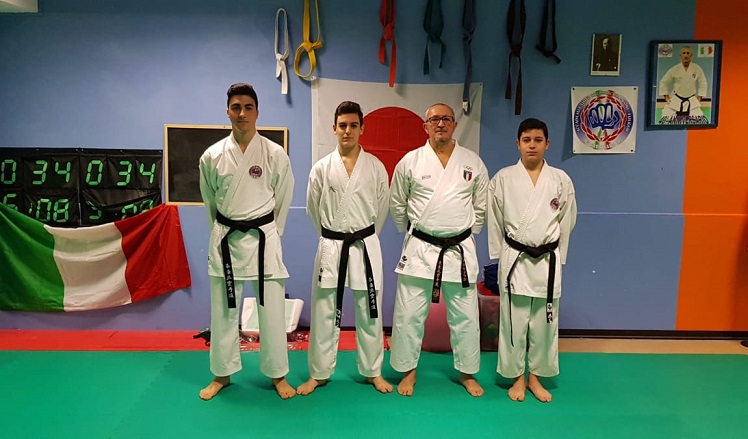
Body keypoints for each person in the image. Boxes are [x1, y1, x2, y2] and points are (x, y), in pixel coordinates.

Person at [198, 82, 296, 400]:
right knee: (223, 311)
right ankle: (221, 374)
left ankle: (278, 375)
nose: (242, 113)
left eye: (248, 107)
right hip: (226, 239)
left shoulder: (274, 154)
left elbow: (284, 197)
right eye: (236, 107)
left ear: (257, 112)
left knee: (272, 311)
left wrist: (273, 232)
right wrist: (221, 231)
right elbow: (209, 202)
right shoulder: (211, 156)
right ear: (228, 112)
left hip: (263, 238)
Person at [389, 103, 489, 397]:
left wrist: (464, 231)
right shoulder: (410, 161)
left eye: (446, 119)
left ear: (455, 125)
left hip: (458, 248)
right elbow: (397, 204)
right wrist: (412, 232)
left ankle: (467, 373)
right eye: (434, 119)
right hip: (420, 247)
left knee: (466, 316)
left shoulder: (472, 162)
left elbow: (480, 207)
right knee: (409, 314)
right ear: (425, 126)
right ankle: (408, 371)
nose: (440, 124)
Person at [297, 101, 393, 396]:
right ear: (334, 128)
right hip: (331, 244)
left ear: (362, 128)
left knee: (370, 310)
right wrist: (331, 237)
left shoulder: (375, 167)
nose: (347, 130)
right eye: (342, 125)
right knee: (324, 310)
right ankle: (319, 373)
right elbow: (313, 210)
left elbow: (382, 210)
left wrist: (364, 236)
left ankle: (373, 371)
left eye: (353, 125)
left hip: (365, 244)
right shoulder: (321, 168)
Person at [487, 118, 576, 403]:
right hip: (516, 258)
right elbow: (494, 219)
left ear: (547, 144)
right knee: (513, 322)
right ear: (518, 144)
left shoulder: (560, 179)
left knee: (544, 324)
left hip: (547, 260)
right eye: (527, 140)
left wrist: (560, 256)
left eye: (538, 140)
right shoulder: (503, 178)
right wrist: (499, 256)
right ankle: (516, 377)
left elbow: (567, 220)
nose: (532, 145)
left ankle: (536, 377)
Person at [658, 46, 708, 123]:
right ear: (680, 55)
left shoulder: (697, 68)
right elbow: (663, 82)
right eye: (684, 53)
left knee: (699, 117)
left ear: (691, 55)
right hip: (676, 98)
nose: (686, 55)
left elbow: (703, 83)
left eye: (688, 53)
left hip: (691, 99)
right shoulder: (675, 69)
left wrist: (699, 97)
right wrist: (666, 97)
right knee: (666, 117)